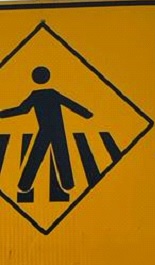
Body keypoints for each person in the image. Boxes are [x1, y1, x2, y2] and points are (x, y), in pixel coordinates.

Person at [0, 65, 93, 203]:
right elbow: (70, 104)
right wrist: (86, 113)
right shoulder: (50, 94)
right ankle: (60, 184)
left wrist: (86, 114)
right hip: (54, 130)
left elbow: (22, 109)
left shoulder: (37, 95)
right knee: (56, 155)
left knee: (40, 156)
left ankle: (27, 184)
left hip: (48, 130)